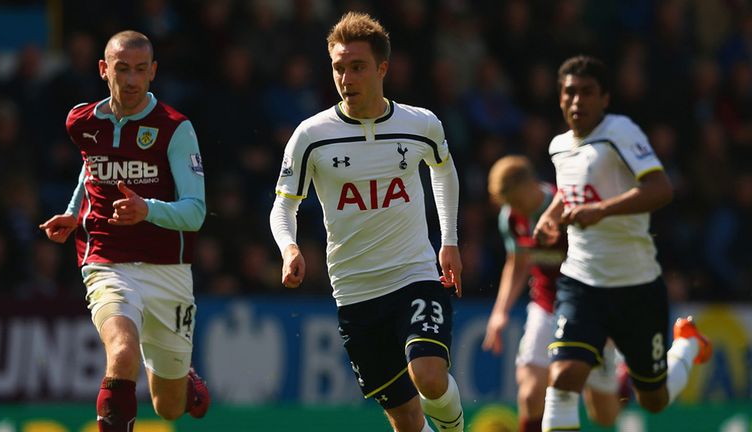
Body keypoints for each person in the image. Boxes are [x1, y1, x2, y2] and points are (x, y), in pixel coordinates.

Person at [270, 12, 464, 432]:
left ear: (382, 68)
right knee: (408, 421)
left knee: (429, 377)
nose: (346, 77)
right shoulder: (311, 135)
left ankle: (455, 426)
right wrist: (290, 248)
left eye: (356, 67)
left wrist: (448, 240)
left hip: (414, 273)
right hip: (355, 292)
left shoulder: (420, 124)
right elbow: (282, 206)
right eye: (338, 67)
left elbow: (443, 170)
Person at [39, 30, 210, 430]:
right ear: (104, 70)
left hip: (168, 269)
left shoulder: (175, 128)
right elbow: (91, 164)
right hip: (106, 258)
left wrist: (145, 209)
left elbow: (196, 212)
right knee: (122, 354)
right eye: (121, 69)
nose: (130, 80)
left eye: (139, 70)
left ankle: (180, 377)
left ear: (152, 72)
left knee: (168, 407)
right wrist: (72, 211)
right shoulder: (81, 121)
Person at [532, 55, 712, 431]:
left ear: (605, 98)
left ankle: (689, 344)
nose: (577, 101)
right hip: (582, 282)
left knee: (654, 400)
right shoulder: (559, 146)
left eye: (587, 92)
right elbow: (570, 190)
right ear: (560, 98)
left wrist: (602, 210)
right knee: (563, 378)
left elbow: (660, 188)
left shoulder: (620, 132)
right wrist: (552, 214)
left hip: (636, 287)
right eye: (570, 93)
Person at [482, 155, 624, 432]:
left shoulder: (569, 207)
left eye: (517, 201)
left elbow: (603, 261)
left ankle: (622, 377)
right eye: (509, 204)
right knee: (530, 394)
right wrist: (499, 313)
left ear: (532, 184)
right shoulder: (511, 218)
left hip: (587, 309)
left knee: (604, 415)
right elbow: (517, 263)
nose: (515, 209)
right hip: (545, 306)